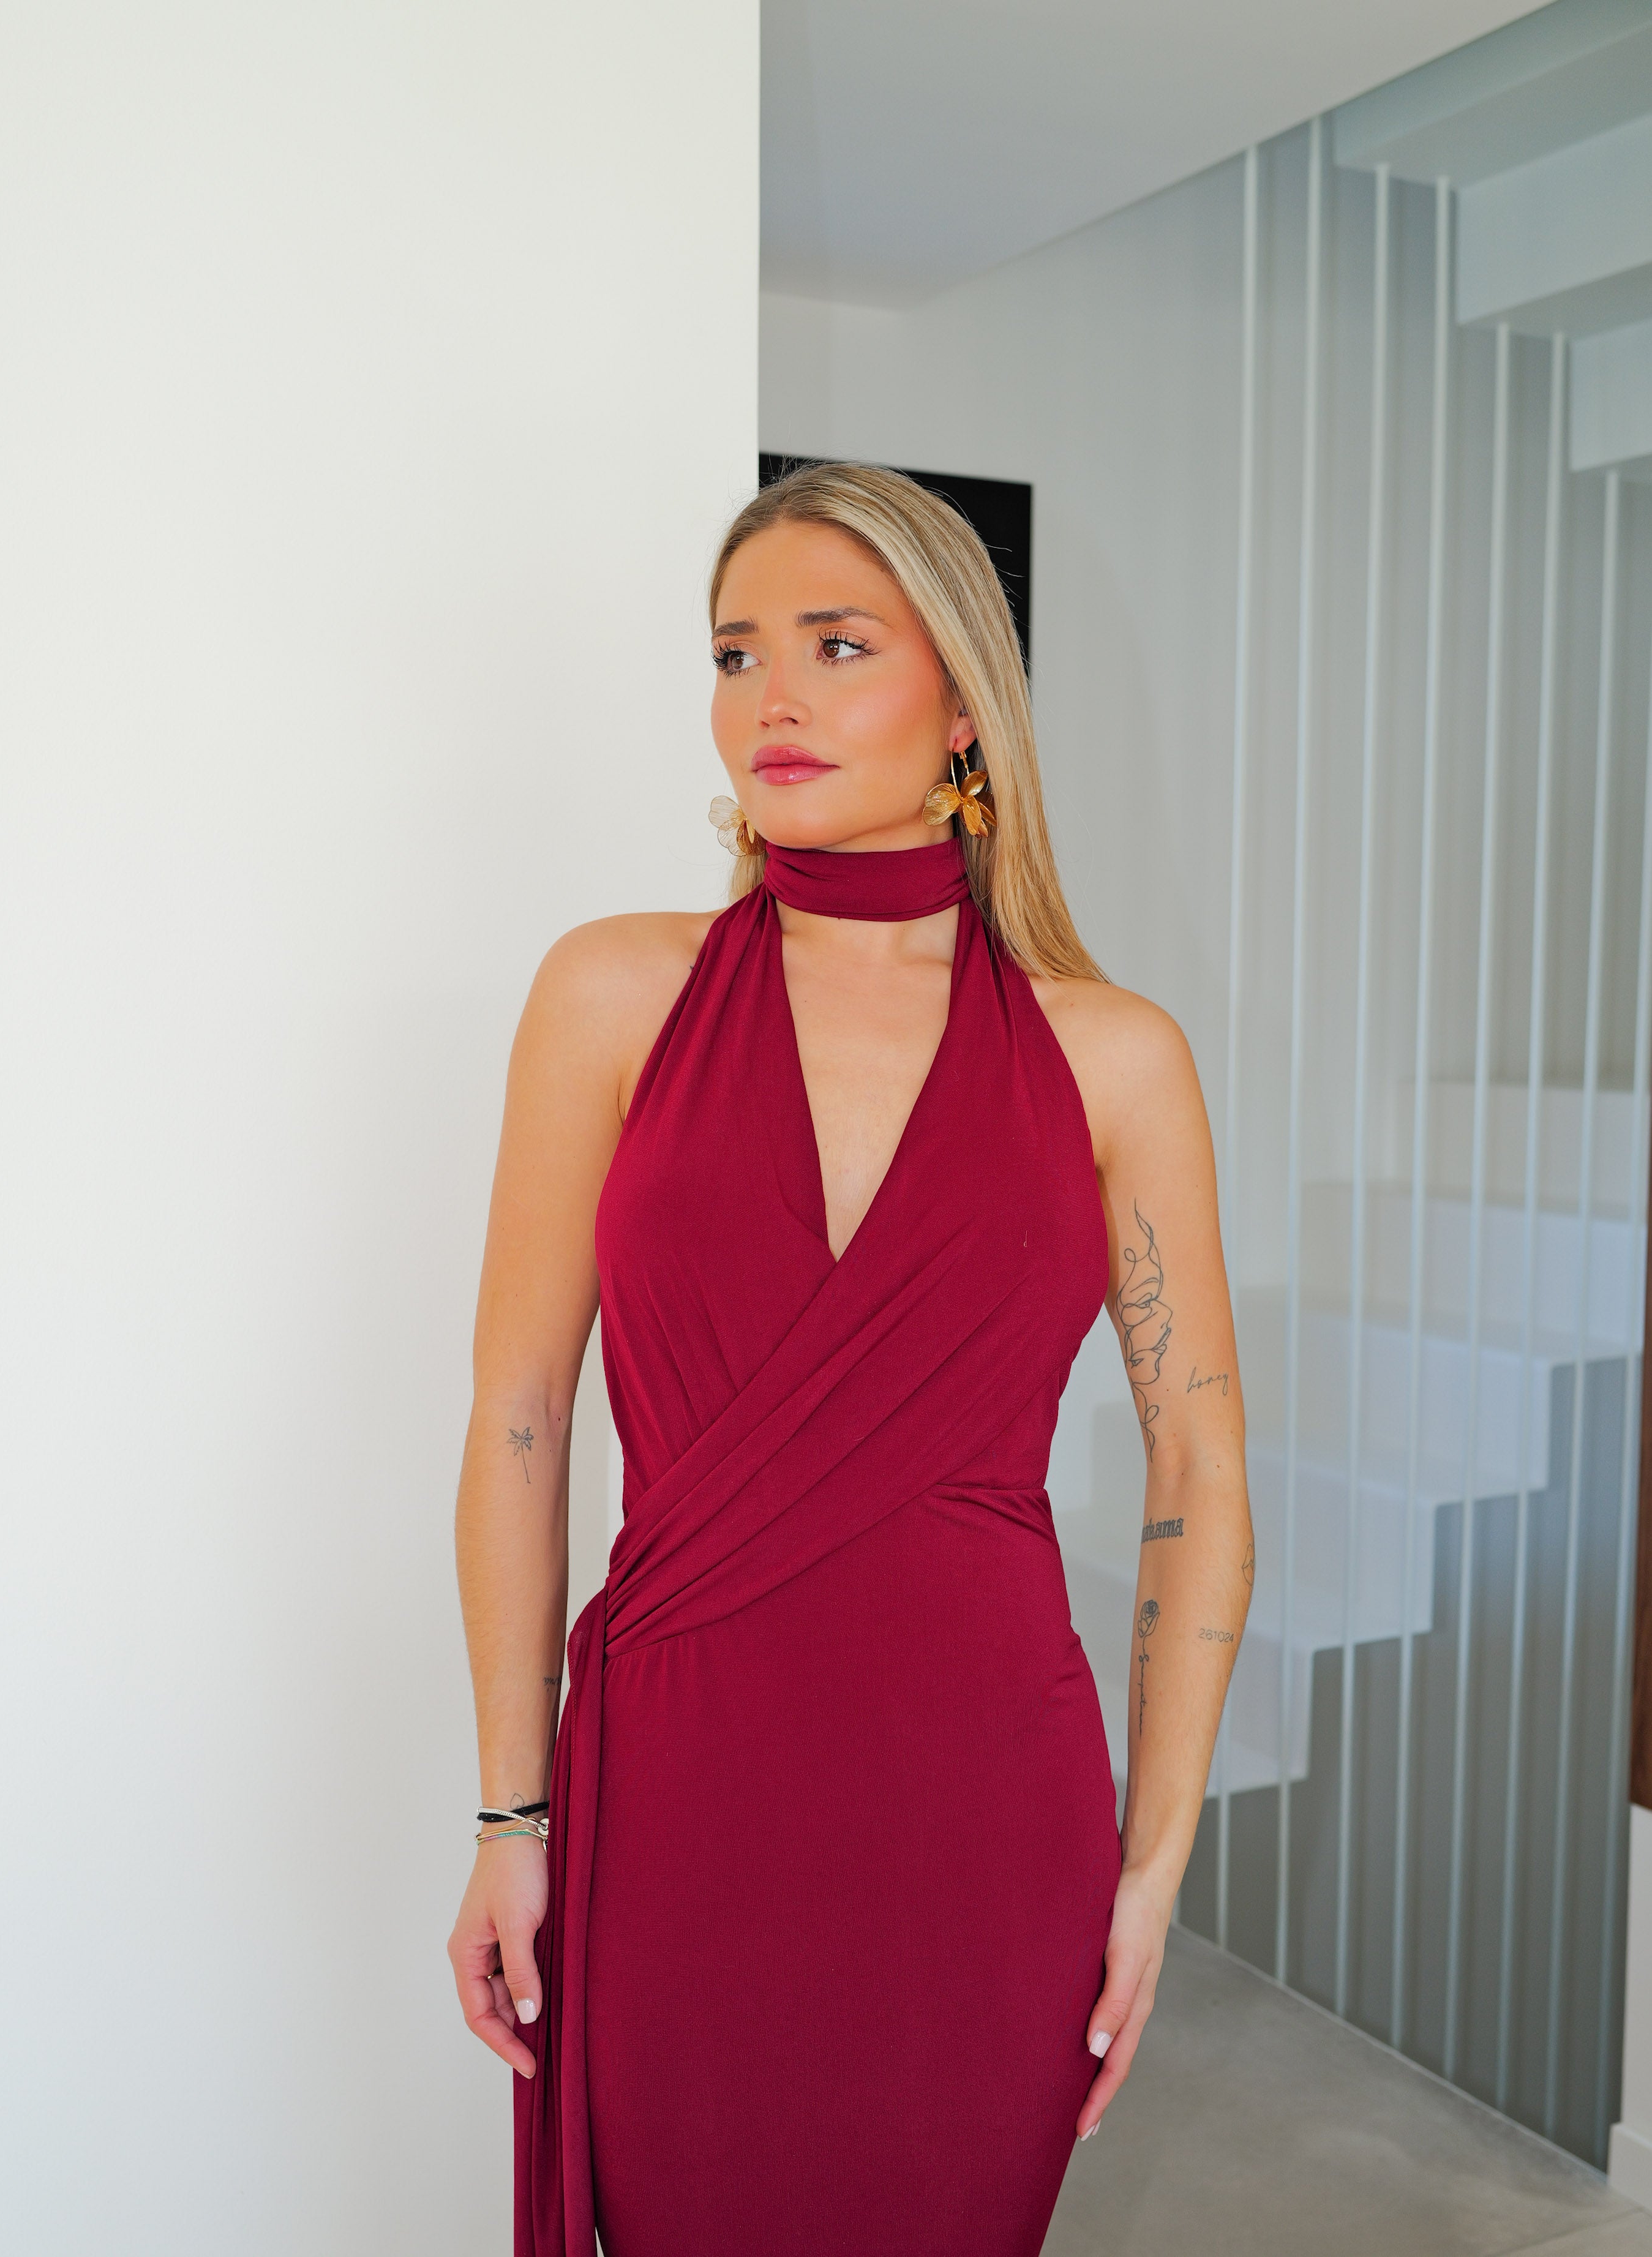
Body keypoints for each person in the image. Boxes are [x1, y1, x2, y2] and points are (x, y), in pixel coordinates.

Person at [447, 462, 1253, 2257]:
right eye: (736, 654)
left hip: (986, 1820)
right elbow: (520, 1418)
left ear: (964, 703)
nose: (772, 700)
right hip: (677, 1805)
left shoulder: (1112, 1057)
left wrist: (1152, 1869)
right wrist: (511, 1815)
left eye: (835, 645)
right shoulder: (614, 993)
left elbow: (1202, 1470)